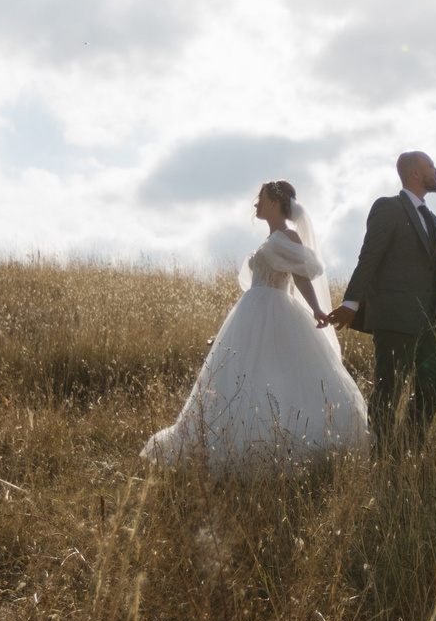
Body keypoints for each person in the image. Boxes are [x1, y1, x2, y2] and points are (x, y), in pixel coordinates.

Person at [143, 181, 369, 472]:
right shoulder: (271, 238)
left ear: (274, 202)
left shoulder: (288, 236)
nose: (255, 204)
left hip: (275, 311)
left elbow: (301, 276)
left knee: (274, 374)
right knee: (241, 374)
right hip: (252, 311)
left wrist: (315, 309)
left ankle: (280, 441)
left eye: (259, 198)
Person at [323, 151, 436, 456]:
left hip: (430, 319)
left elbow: (435, 267)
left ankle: (408, 450)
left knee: (434, 385)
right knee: (389, 390)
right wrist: (352, 303)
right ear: (416, 173)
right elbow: (369, 255)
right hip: (394, 317)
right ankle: (379, 455)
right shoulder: (388, 208)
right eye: (431, 167)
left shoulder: (434, 220)